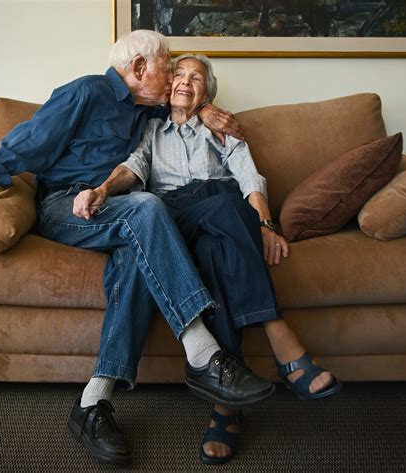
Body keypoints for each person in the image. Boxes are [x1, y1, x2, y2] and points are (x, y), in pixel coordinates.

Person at [0, 31, 278, 465]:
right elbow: (28, 141)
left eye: (180, 69)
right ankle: (204, 354)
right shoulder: (87, 92)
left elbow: (186, 102)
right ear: (140, 69)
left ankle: (92, 403)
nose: (174, 74)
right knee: (147, 209)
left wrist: (208, 109)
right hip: (66, 205)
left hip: (113, 211)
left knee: (138, 258)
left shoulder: (148, 108)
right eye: (167, 66)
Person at [90, 53, 343, 465]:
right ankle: (279, 335)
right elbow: (131, 167)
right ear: (168, 84)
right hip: (173, 216)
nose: (186, 82)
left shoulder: (221, 127)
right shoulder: (150, 129)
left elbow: (248, 177)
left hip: (221, 217)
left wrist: (266, 224)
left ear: (208, 92)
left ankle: (227, 405)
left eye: (197, 79)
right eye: (180, 75)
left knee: (216, 244)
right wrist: (103, 190)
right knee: (221, 207)